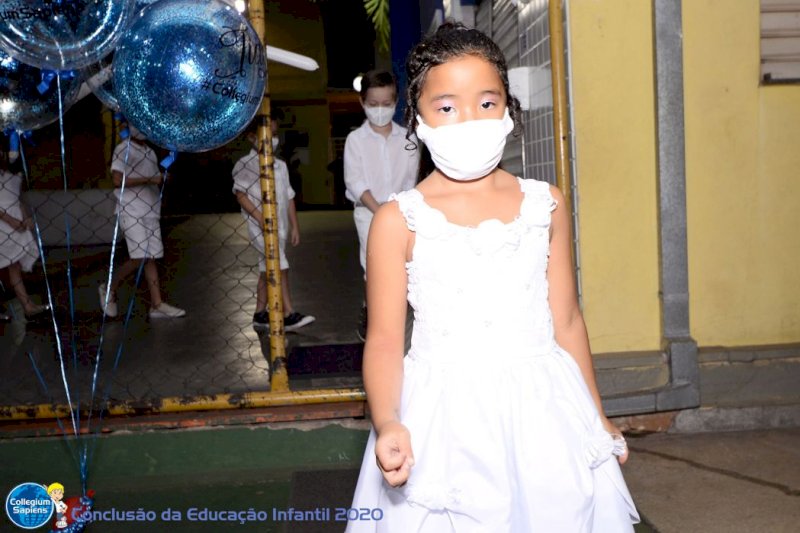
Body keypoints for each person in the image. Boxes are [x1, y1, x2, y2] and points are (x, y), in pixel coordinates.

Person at [346, 23, 639, 531]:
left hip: (544, 413)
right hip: (443, 420)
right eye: (447, 106)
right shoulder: (398, 220)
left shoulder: (546, 204)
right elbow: (387, 340)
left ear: (508, 109)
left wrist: (598, 416)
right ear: (418, 118)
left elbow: (566, 320)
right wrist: (388, 419)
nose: (469, 119)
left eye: (486, 103)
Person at [344, 69, 419, 340]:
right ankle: (372, 312)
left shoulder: (409, 140)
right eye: (373, 104)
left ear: (396, 100)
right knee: (374, 267)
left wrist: (400, 211)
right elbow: (355, 181)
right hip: (368, 214)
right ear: (363, 102)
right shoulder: (355, 141)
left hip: (403, 214)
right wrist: (381, 211)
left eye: (386, 104)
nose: (379, 110)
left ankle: (402, 316)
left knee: (405, 265)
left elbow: (411, 178)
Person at [232, 117, 314, 332]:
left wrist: (294, 227)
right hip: (260, 227)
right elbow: (240, 195)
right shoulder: (246, 164)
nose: (273, 140)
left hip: (281, 227)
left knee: (267, 267)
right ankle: (288, 313)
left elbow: (289, 197)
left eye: (275, 135)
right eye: (268, 136)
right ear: (252, 138)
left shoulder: (280, 166)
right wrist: (260, 218)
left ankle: (260, 314)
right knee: (279, 265)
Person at [98, 126, 185, 319]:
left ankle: (157, 304)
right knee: (140, 256)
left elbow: (153, 178)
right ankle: (109, 287)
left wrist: (160, 179)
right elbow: (117, 180)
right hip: (131, 209)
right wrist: (151, 179)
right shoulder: (124, 148)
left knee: (151, 257)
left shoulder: (149, 151)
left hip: (150, 209)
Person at [0, 153, 48, 321]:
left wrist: (25, 217)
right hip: (3, 220)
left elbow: (17, 198)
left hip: (15, 220)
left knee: (14, 264)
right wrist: (9, 220)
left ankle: (27, 305)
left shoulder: (13, 172)